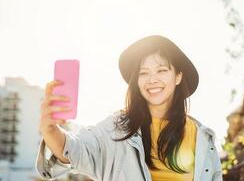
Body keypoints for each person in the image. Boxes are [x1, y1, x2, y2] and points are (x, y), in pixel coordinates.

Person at [36, 35, 223, 181]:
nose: (152, 80)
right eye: (144, 73)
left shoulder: (203, 139)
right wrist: (50, 129)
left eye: (162, 70)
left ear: (178, 77)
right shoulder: (115, 130)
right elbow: (74, 150)